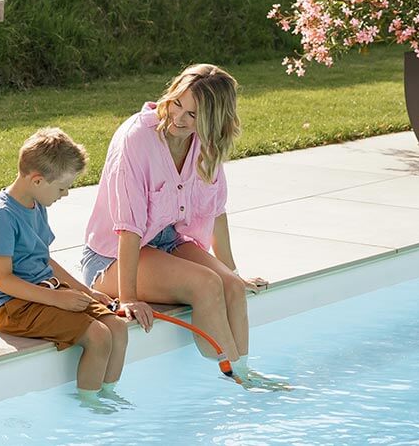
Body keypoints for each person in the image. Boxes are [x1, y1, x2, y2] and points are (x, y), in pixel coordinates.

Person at [79, 64, 277, 387]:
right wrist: (127, 298)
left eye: (192, 115)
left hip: (165, 244)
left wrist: (231, 271)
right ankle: (236, 379)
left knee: (231, 288)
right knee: (205, 286)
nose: (178, 118)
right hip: (112, 259)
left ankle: (242, 371)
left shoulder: (204, 142)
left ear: (211, 121)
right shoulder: (136, 139)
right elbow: (127, 228)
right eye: (177, 104)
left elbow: (216, 211)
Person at [0, 127, 136, 408]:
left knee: (117, 328)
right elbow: (3, 280)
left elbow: (45, 260)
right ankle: (89, 405)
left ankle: (108, 394)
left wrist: (86, 292)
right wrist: (57, 298)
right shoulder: (1, 216)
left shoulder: (35, 205)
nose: (66, 194)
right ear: (37, 180)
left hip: (46, 292)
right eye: (62, 188)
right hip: (13, 307)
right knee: (98, 336)